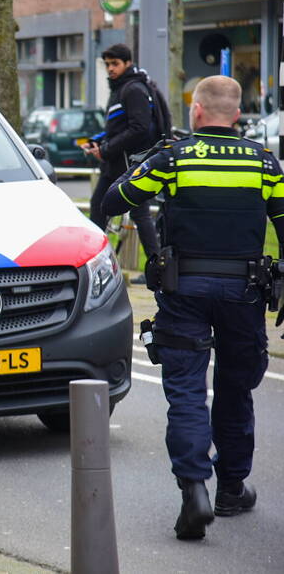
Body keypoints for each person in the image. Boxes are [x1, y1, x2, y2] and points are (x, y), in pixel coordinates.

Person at [101, 75, 283, 541]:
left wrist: (140, 168)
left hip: (184, 292)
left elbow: (114, 200)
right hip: (246, 293)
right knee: (236, 389)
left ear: (196, 112)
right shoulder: (266, 165)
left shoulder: (174, 159)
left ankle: (194, 489)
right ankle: (232, 488)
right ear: (237, 114)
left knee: (185, 391)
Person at [85, 44, 161, 267]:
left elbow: (139, 128)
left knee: (140, 215)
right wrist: (98, 141)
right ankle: (95, 264)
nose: (110, 68)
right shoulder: (120, 88)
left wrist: (106, 149)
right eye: (107, 64)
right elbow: (116, 128)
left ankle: (156, 267)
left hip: (129, 164)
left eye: (115, 64)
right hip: (115, 164)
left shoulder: (133, 89)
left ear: (128, 63)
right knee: (99, 209)